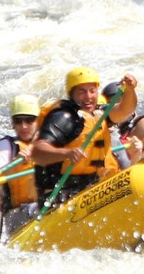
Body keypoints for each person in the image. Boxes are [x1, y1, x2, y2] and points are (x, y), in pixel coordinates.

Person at [31, 68, 137, 208]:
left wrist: (129, 90)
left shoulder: (99, 114)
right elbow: (38, 152)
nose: (88, 97)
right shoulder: (64, 117)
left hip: (90, 188)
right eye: (82, 91)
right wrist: (66, 153)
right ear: (71, 94)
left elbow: (125, 109)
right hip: (60, 194)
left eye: (92, 91)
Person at [0, 94, 41, 238]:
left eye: (29, 120)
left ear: (38, 121)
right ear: (12, 123)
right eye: (18, 121)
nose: (24, 126)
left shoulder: (50, 143)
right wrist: (15, 163)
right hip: (18, 215)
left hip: (47, 205)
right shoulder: (7, 146)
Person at [101, 81, 144, 164]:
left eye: (120, 102)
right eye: (111, 104)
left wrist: (136, 154)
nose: (117, 107)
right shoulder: (112, 132)